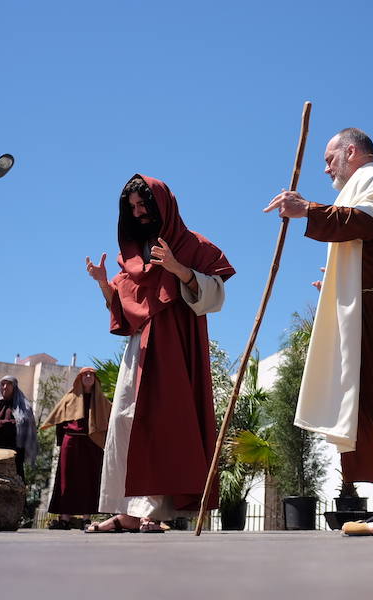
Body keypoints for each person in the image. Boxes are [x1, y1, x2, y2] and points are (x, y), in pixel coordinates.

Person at [265, 128, 373, 536]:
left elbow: (361, 223)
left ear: (352, 151)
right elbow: (368, 244)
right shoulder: (359, 186)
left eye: (330, 158)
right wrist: (341, 278)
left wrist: (306, 209)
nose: (326, 167)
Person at [84, 174, 235, 533]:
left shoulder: (194, 245)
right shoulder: (132, 256)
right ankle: (126, 511)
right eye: (132, 208)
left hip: (177, 346)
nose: (138, 213)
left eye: (144, 206)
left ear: (161, 206)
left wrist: (177, 268)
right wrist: (105, 284)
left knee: (166, 422)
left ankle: (153, 512)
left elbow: (215, 295)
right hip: (141, 347)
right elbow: (124, 309)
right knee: (125, 419)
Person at [40, 367, 111, 529]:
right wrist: (61, 442)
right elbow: (59, 421)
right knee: (67, 480)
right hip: (71, 442)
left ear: (95, 379)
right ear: (79, 378)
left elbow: (111, 418)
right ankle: (64, 519)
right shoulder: (69, 398)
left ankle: (86, 518)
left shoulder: (102, 400)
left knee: (90, 479)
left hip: (93, 443)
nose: (88, 376)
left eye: (91, 375)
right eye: (85, 374)